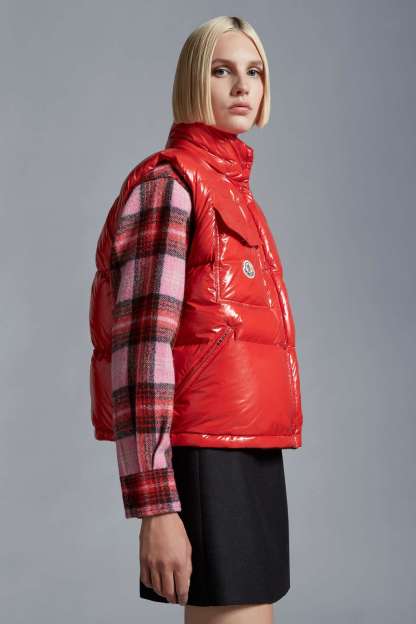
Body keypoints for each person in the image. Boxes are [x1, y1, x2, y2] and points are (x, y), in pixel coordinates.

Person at [88, 15, 304, 624]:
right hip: (204, 453)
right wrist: (156, 506)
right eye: (221, 70)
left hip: (248, 443)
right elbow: (141, 351)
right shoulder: (171, 185)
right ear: (191, 81)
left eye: (254, 71)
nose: (242, 85)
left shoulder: (233, 190)